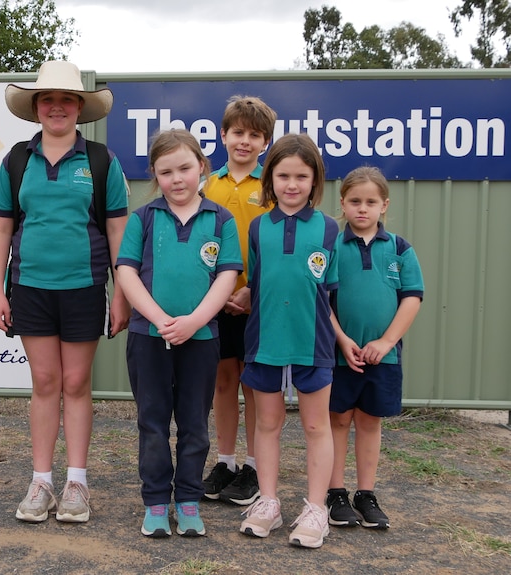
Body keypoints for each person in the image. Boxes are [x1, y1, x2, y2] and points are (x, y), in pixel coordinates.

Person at [0, 60, 130, 523]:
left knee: (75, 383)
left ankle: (76, 483)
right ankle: (41, 481)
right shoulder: (15, 161)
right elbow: (3, 228)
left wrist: (122, 293)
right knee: (45, 382)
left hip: (85, 287)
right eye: (47, 99)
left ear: (79, 108)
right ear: (35, 107)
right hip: (29, 288)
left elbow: (117, 232)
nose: (56, 107)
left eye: (66, 100)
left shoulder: (101, 162)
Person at [116, 129, 242, 537]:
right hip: (148, 338)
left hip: (202, 340)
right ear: (155, 174)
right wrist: (159, 319)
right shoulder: (143, 219)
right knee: (152, 422)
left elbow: (227, 275)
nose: (177, 179)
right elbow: (127, 273)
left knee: (193, 423)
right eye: (166, 171)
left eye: (185, 168)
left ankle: (188, 500)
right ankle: (155, 502)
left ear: (202, 167)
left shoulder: (220, 220)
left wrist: (195, 321)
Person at [237, 133, 337, 548]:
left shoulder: (330, 229)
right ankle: (269, 502)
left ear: (315, 180)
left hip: (312, 342)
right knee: (267, 424)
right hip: (266, 341)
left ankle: (316, 509)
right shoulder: (259, 228)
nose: (291, 184)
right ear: (269, 178)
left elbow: (329, 291)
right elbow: (255, 281)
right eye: (282, 175)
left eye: (301, 176)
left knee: (317, 425)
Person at [326, 166, 423, 530]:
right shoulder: (332, 247)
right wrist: (341, 339)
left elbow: (412, 298)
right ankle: (335, 492)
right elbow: (323, 300)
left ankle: (366, 494)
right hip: (339, 355)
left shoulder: (399, 249)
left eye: (370, 202)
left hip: (384, 357)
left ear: (384, 205)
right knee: (337, 420)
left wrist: (386, 341)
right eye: (354, 201)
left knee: (369, 422)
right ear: (343, 203)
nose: (362, 209)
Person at [202, 95, 277, 506]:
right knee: (223, 382)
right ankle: (226, 461)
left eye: (254, 135)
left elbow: (276, 245)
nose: (244, 141)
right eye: (237, 133)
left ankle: (253, 465)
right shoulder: (206, 184)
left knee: (255, 385)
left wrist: (253, 289)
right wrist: (217, 293)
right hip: (217, 301)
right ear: (223, 135)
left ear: (265, 142)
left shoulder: (271, 185)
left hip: (258, 301)